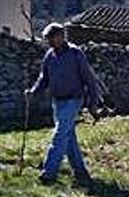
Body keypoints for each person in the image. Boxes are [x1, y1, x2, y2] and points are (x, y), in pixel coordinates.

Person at [25, 23, 103, 186]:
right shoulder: (49, 56)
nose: (49, 42)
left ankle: (49, 172)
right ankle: (80, 171)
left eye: (52, 38)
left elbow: (89, 79)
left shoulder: (75, 53)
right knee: (68, 138)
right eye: (48, 39)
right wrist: (33, 92)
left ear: (61, 36)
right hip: (57, 101)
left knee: (59, 134)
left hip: (74, 99)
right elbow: (43, 78)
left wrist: (93, 103)